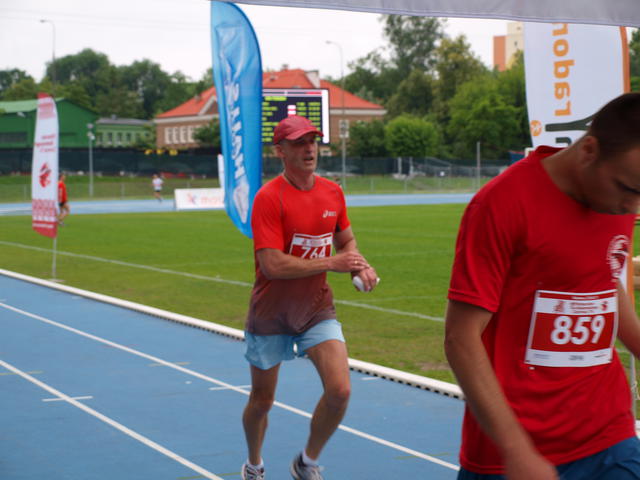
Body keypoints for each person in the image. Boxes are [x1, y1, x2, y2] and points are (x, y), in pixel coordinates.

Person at [445, 92, 640, 480]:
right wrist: (516, 450)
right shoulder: (501, 204)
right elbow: (460, 339)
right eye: (628, 189)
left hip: (608, 433)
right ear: (589, 150)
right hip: (515, 451)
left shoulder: (615, 197)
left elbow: (604, 281)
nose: (633, 208)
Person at [240, 115, 379, 480]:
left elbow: (346, 241)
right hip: (271, 313)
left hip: (316, 308)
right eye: (299, 143)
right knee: (262, 401)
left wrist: (358, 265)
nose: (309, 149)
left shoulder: (332, 192)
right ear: (280, 151)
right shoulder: (268, 198)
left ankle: (306, 462)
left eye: (312, 141)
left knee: (340, 390)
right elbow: (271, 264)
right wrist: (332, 262)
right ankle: (254, 464)